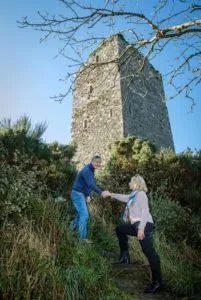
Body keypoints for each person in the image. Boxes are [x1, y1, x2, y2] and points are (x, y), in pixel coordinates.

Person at [105, 174, 163, 294]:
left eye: (131, 181)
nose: (129, 183)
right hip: (136, 225)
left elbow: (145, 211)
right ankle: (124, 257)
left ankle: (157, 283)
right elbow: (123, 197)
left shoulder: (141, 194)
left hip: (144, 225)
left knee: (149, 252)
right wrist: (110, 194)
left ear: (136, 183)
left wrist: (141, 228)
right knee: (120, 229)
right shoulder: (133, 195)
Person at [70, 155, 108, 243]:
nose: (98, 164)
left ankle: (69, 231)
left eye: (99, 163)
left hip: (80, 194)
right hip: (77, 194)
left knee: (80, 215)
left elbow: (87, 185)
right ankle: (82, 239)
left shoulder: (90, 169)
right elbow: (91, 184)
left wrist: (88, 195)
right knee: (84, 215)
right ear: (92, 161)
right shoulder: (87, 171)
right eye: (96, 162)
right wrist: (101, 192)